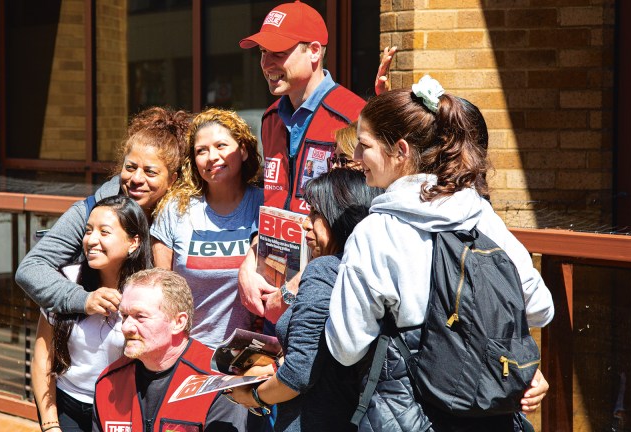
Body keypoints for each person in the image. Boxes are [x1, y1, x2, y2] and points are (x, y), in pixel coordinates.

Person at [325, 77, 555, 430]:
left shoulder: (375, 233)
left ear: (400, 151)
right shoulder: (481, 216)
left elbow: (347, 345)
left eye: (363, 146)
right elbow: (540, 308)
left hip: (409, 414)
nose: (355, 158)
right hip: (489, 415)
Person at [236, 0, 368, 320]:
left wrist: (298, 287)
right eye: (262, 53)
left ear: (313, 51)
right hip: (273, 291)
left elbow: (361, 225)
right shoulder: (271, 120)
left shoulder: (354, 117)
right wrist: (248, 263)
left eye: (278, 52)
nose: (266, 63)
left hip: (325, 297)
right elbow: (273, 203)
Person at [229, 169, 383, 431]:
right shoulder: (371, 268)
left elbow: (298, 374)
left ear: (339, 215)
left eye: (315, 214)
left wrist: (252, 397)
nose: (305, 224)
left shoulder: (324, 269)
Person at [16, 107, 190, 318]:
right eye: (130, 167)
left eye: (150, 171)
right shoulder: (89, 212)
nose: (136, 179)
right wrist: (83, 299)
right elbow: (31, 268)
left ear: (172, 180)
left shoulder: (185, 219)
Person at [32, 195, 153, 432]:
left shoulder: (149, 292)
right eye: (88, 231)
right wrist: (50, 424)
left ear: (133, 242)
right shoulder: (64, 281)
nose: (92, 240)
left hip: (122, 407)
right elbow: (42, 357)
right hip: (68, 405)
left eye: (104, 232)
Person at [92, 268, 261, 432]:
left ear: (178, 322)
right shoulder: (108, 382)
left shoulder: (218, 383)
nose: (126, 327)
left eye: (140, 316)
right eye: (124, 316)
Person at [151, 108, 264, 348]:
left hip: (248, 356)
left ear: (243, 151)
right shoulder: (175, 209)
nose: (212, 157)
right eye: (202, 150)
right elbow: (163, 291)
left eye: (221, 146)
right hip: (186, 351)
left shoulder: (263, 205)